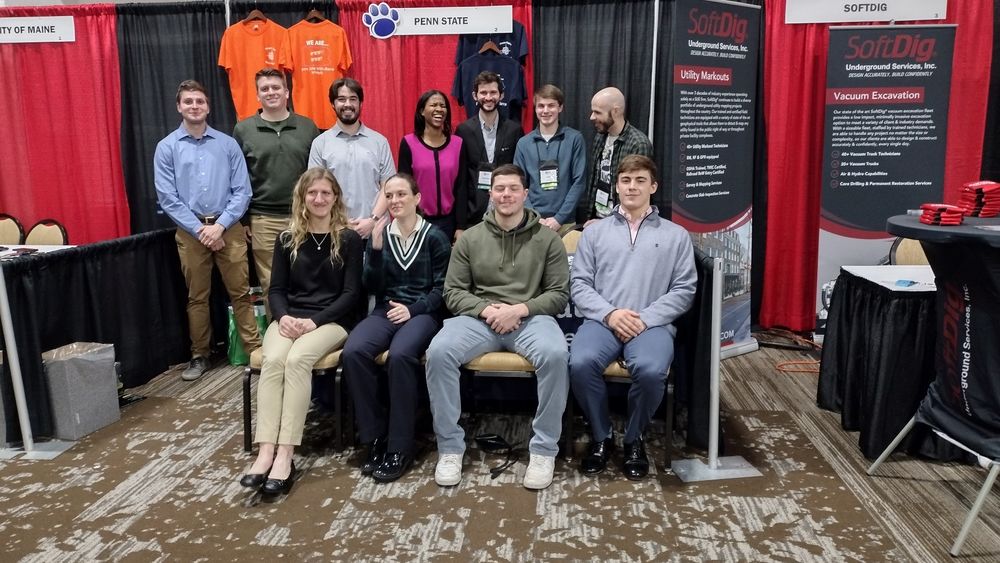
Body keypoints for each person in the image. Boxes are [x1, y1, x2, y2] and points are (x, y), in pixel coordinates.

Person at [425, 164, 569, 491]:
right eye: (500, 189)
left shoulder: (548, 239)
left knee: (556, 354)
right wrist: (487, 309)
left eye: (513, 189)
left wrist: (520, 308)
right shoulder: (470, 238)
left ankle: (544, 450)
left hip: (530, 318)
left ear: (525, 194)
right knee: (439, 352)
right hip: (480, 319)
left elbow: (559, 295)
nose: (506, 195)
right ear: (491, 194)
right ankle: (449, 448)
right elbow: (453, 291)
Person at [568, 155, 696, 480]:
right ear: (617, 186)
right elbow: (579, 284)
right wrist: (610, 314)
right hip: (603, 321)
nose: (632, 186)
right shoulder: (595, 234)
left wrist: (645, 318)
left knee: (652, 371)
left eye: (640, 180)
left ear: (653, 186)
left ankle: (633, 438)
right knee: (580, 364)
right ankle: (602, 436)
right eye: (626, 180)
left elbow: (684, 289)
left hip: (650, 324)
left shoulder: (676, 235)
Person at [239, 167, 363, 497]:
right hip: (289, 318)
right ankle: (266, 450)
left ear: (335, 197)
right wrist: (283, 318)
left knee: (296, 362)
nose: (319, 199)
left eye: (325, 193)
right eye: (312, 193)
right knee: (273, 360)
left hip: (331, 322)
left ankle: (286, 455)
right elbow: (276, 289)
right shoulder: (286, 238)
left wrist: (314, 321)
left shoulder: (348, 239)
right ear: (302, 198)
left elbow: (351, 295)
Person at [342, 174, 452, 483]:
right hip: (386, 309)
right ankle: (376, 436)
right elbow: (373, 287)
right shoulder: (382, 235)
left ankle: (401, 445)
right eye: (389, 195)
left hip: (423, 313)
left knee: (401, 355)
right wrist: (374, 252)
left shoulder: (434, 237)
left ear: (417, 198)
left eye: (401, 194)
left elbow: (443, 291)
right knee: (353, 351)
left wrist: (413, 309)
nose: (395, 201)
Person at [154, 79, 262, 381]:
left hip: (229, 228)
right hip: (190, 233)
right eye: (188, 102)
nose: (194, 106)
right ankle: (199, 355)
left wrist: (220, 226)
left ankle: (254, 352)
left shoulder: (227, 145)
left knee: (241, 293)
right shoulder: (166, 148)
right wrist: (201, 230)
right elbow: (167, 198)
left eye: (199, 101)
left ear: (208, 106)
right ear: (179, 107)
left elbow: (243, 191)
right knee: (197, 297)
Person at [234, 68, 320, 307]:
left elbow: (316, 175)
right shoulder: (243, 130)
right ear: (257, 95)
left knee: (308, 280)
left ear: (287, 92)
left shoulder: (307, 127)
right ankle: (279, 334)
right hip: (263, 219)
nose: (271, 92)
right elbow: (238, 178)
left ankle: (307, 336)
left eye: (276, 87)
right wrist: (243, 220)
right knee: (272, 284)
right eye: (265, 88)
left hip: (304, 217)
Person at [309, 77, 395, 238]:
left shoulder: (379, 142)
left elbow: (388, 187)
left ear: (360, 103)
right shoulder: (320, 143)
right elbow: (316, 191)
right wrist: (341, 223)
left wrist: (372, 220)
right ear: (333, 104)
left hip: (376, 231)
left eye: (353, 99)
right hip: (334, 231)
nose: (347, 104)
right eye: (341, 99)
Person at [513, 84, 587, 235]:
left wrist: (559, 219)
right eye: (541, 106)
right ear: (535, 109)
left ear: (560, 108)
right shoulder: (523, 143)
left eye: (551, 105)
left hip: (565, 223)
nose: (545, 111)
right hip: (532, 223)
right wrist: (534, 216)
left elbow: (579, 182)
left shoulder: (575, 139)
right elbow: (518, 184)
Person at [454, 71, 523, 228]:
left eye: (493, 92)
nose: (488, 97)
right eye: (483, 92)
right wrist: (460, 225)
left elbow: (518, 175)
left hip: (507, 211)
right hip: (474, 214)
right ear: (474, 95)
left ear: (501, 95)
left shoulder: (514, 130)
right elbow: (462, 180)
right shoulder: (463, 131)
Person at [398, 90, 467, 241]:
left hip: (449, 224)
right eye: (433, 105)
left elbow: (462, 187)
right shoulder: (409, 143)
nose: (439, 109)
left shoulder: (458, 144)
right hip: (417, 222)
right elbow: (403, 187)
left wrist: (461, 226)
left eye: (443, 106)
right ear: (422, 111)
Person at [579, 87, 653, 225]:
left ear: (616, 111)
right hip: (596, 217)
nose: (592, 117)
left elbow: (636, 195)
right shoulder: (600, 138)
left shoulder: (638, 144)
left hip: (622, 224)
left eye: (597, 112)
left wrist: (608, 223)